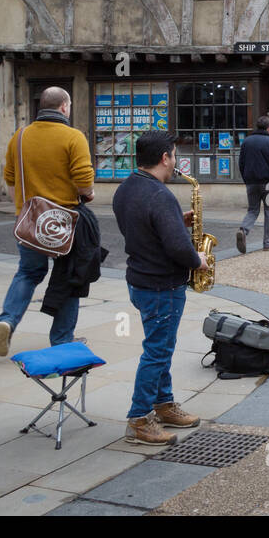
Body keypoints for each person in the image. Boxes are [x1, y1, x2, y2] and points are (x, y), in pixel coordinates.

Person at [112, 131, 212, 445]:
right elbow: (178, 250)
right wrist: (198, 259)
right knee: (157, 352)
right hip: (162, 285)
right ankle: (139, 419)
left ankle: (164, 403)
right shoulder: (160, 195)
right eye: (173, 156)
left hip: (140, 280)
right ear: (164, 158)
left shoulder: (126, 188)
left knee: (160, 345)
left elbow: (142, 227)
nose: (174, 164)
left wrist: (173, 221)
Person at [0, 87, 95, 356]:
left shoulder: (20, 136)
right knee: (69, 277)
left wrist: (29, 199)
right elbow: (83, 179)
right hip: (65, 222)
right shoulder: (73, 137)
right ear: (64, 107)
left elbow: (10, 177)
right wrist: (89, 193)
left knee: (28, 273)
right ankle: (61, 339)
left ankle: (6, 320)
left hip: (29, 220)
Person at [236, 115, 269, 254]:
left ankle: (243, 230)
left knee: (252, 210)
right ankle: (267, 243)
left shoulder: (247, 141)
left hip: (251, 182)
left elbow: (241, 163)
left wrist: (247, 180)